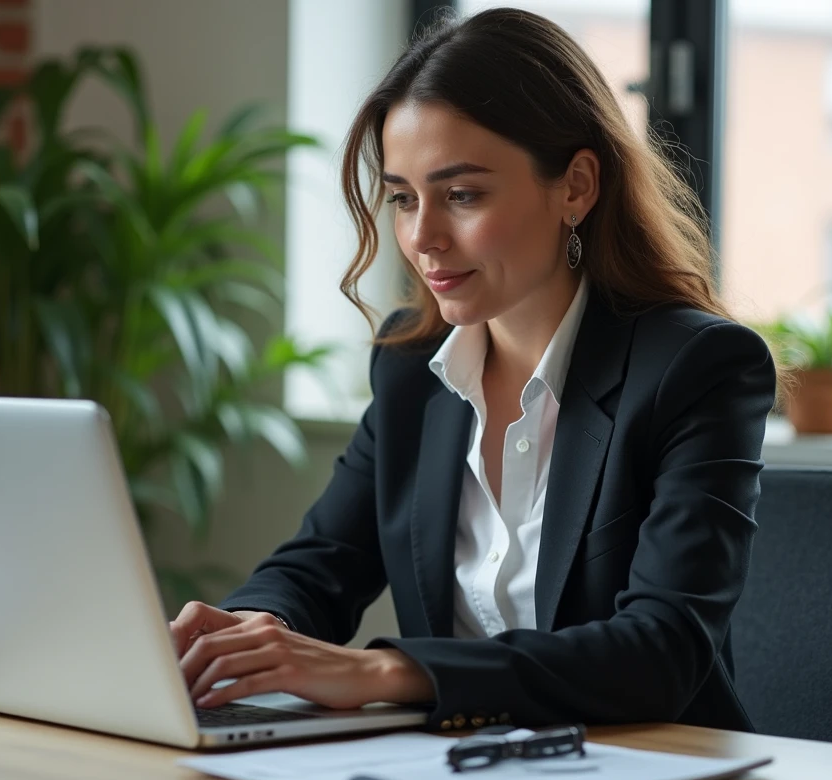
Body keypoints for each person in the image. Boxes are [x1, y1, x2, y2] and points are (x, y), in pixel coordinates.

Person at [169, 6, 777, 734]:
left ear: (576, 186)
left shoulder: (696, 368)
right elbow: (317, 566)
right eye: (402, 198)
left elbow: (661, 652)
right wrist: (241, 636)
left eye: (462, 195)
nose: (422, 237)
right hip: (457, 769)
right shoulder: (410, 368)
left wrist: (385, 671)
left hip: (653, 771)